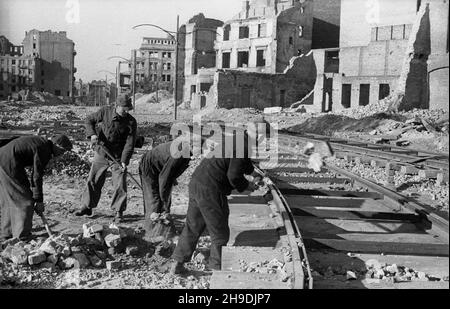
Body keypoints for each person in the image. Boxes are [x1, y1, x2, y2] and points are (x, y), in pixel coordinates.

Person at [170, 121, 267, 274]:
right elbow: (233, 176)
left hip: (197, 182)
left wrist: (254, 173)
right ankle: (216, 268)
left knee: (193, 226)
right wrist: (247, 186)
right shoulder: (243, 145)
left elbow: (240, 161)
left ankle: (177, 263)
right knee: (219, 231)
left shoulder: (238, 138)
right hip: (211, 190)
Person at [75, 94, 137, 222]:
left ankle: (118, 211)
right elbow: (89, 120)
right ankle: (87, 206)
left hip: (118, 157)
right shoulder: (105, 112)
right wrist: (92, 134)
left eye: (128, 109)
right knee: (93, 180)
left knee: (120, 184)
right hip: (102, 152)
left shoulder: (131, 122)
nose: (126, 111)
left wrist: (125, 161)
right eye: (124, 108)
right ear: (117, 106)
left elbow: (129, 144)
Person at [0, 134, 72, 241]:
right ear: (56, 145)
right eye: (63, 150)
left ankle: (6, 235)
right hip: (8, 162)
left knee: (10, 199)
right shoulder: (44, 149)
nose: (63, 154)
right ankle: (22, 236)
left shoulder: (41, 143)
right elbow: (36, 176)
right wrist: (38, 200)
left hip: (4, 158)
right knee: (26, 201)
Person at [139, 140, 192, 234]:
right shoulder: (178, 153)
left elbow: (171, 170)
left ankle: (162, 228)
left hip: (159, 167)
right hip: (149, 166)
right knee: (154, 199)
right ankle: (151, 231)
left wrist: (172, 177)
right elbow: (164, 178)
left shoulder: (187, 152)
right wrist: (164, 198)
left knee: (163, 199)